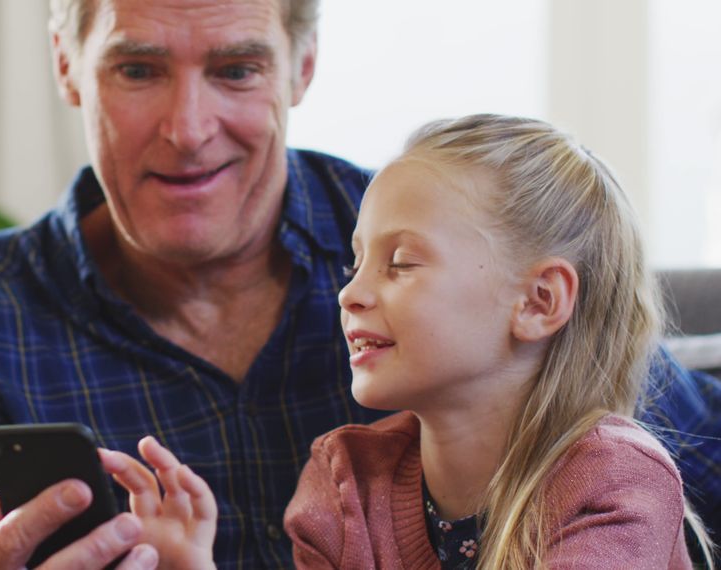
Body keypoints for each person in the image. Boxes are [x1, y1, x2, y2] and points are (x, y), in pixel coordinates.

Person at [0, 1, 717, 569]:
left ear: (300, 68)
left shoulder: (449, 253)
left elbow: (627, 411)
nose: (189, 128)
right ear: (69, 63)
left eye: (237, 68)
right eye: (139, 67)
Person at [102, 114, 717, 569]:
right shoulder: (344, 482)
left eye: (400, 263)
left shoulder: (612, 481)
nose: (350, 295)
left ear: (538, 302)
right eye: (356, 264)